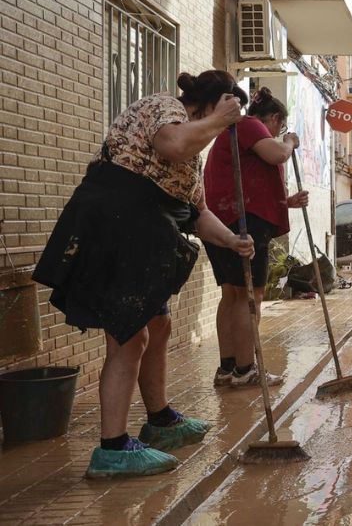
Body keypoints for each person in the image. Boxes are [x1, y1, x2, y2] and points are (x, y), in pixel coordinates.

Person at [34, 71, 254, 478]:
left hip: (144, 234)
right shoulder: (164, 108)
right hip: (113, 223)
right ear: (206, 105)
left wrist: (232, 241)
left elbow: (197, 213)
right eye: (218, 114)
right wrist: (220, 121)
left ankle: (160, 421)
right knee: (129, 334)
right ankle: (112, 448)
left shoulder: (194, 151)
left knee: (160, 323)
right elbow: (172, 143)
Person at [203, 87, 308, 388]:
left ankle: (228, 368)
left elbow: (247, 185)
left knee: (232, 294)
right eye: (279, 127)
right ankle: (245, 369)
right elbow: (277, 154)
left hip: (222, 222)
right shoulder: (250, 125)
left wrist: (285, 202)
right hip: (241, 225)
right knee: (251, 296)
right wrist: (288, 141)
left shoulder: (235, 133)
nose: (277, 133)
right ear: (273, 119)